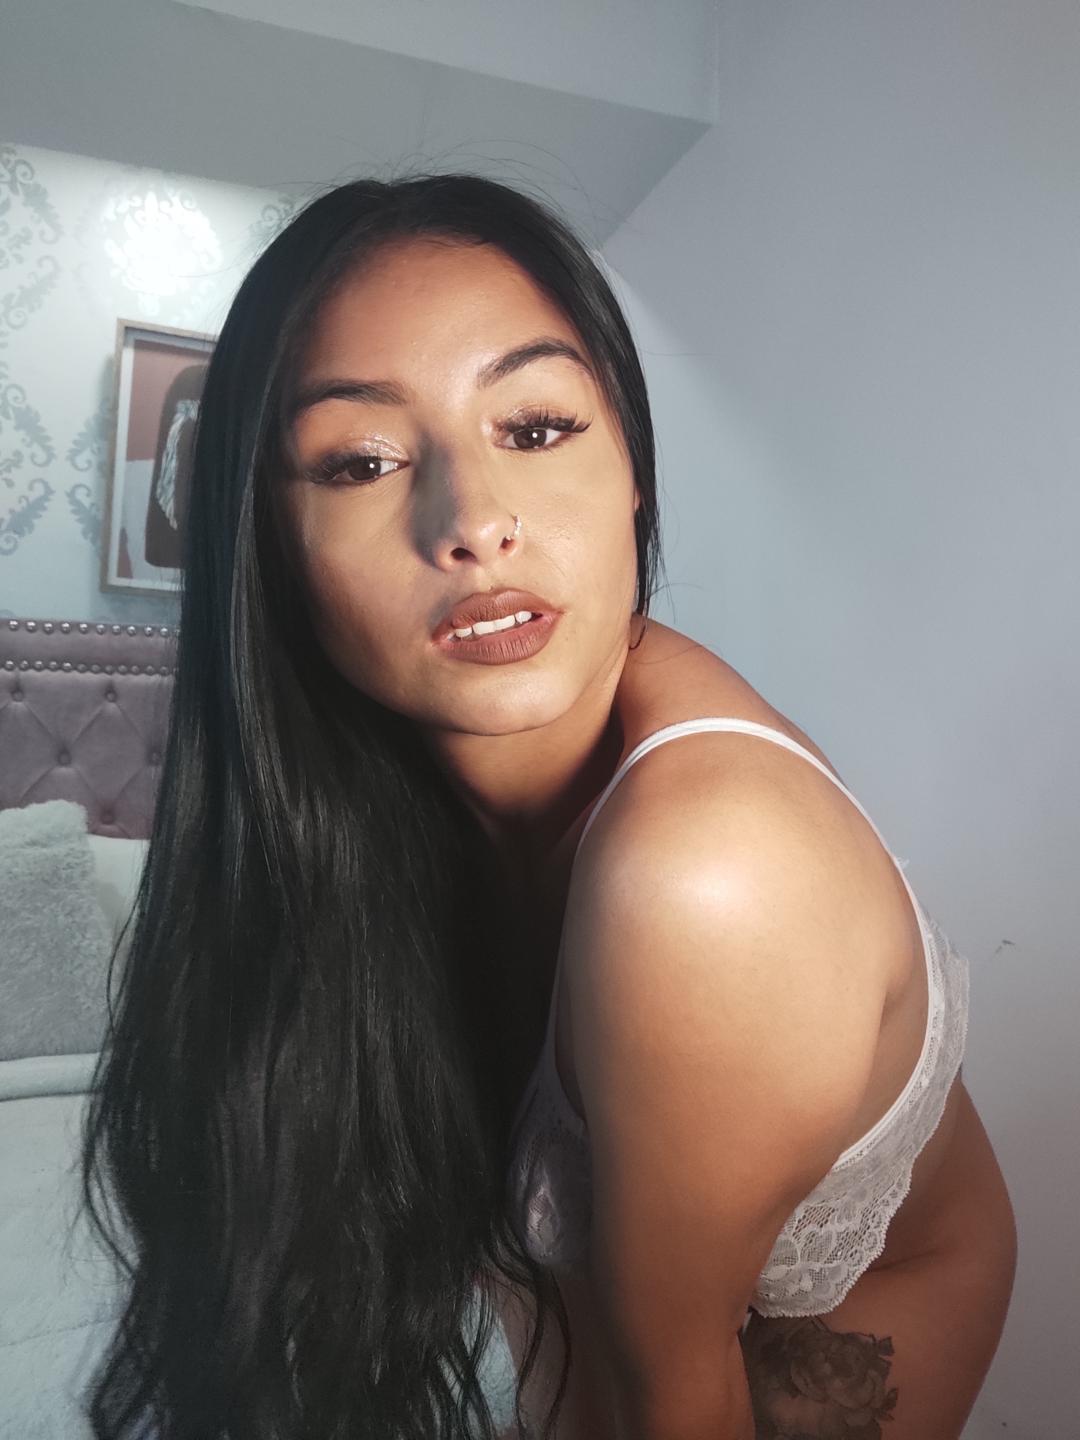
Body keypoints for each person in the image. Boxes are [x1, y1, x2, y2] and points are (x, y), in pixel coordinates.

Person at [80, 172, 1016, 1440]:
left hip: (826, 1365)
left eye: (533, 428)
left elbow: (662, 1397)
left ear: (633, 470)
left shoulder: (714, 874)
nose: (473, 525)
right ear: (273, 551)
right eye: (360, 460)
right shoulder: (354, 815)